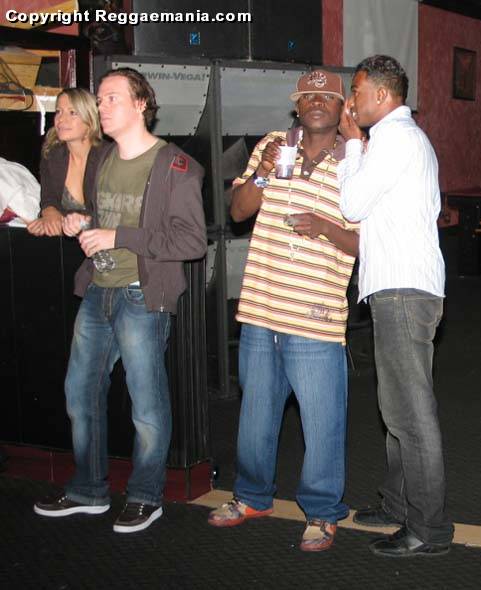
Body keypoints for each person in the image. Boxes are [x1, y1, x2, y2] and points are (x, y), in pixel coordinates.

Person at [33, 67, 207, 533]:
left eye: (112, 98)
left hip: (141, 295)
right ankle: (88, 489)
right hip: (98, 290)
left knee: (146, 404)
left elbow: (192, 241)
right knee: (79, 394)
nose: (102, 107)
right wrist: (82, 223)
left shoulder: (175, 166)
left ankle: (146, 496)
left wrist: (118, 236)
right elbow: (102, 217)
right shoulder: (103, 158)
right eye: (101, 99)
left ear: (141, 105)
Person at [206, 70, 359, 553]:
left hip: (315, 314)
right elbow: (238, 211)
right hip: (261, 306)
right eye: (307, 96)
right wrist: (262, 173)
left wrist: (324, 227)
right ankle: (252, 496)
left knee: (322, 421)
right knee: (255, 413)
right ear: (296, 106)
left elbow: (371, 242)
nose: (316, 102)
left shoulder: (358, 159)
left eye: (326, 96)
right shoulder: (272, 145)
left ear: (342, 108)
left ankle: (322, 511)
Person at [338, 55, 453, 557]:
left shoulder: (395, 139)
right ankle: (399, 503)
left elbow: (351, 205)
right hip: (402, 288)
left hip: (404, 291)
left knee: (411, 415)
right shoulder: (395, 140)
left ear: (382, 96)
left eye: (357, 92)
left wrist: (350, 143)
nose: (351, 102)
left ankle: (427, 528)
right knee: (397, 409)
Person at [28, 88, 105, 237]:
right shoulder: (51, 153)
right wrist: (49, 212)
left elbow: (113, 214)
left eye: (72, 112)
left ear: (90, 120)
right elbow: (48, 198)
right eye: (58, 111)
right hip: (68, 242)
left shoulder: (108, 156)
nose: (61, 119)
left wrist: (66, 222)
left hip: (105, 241)